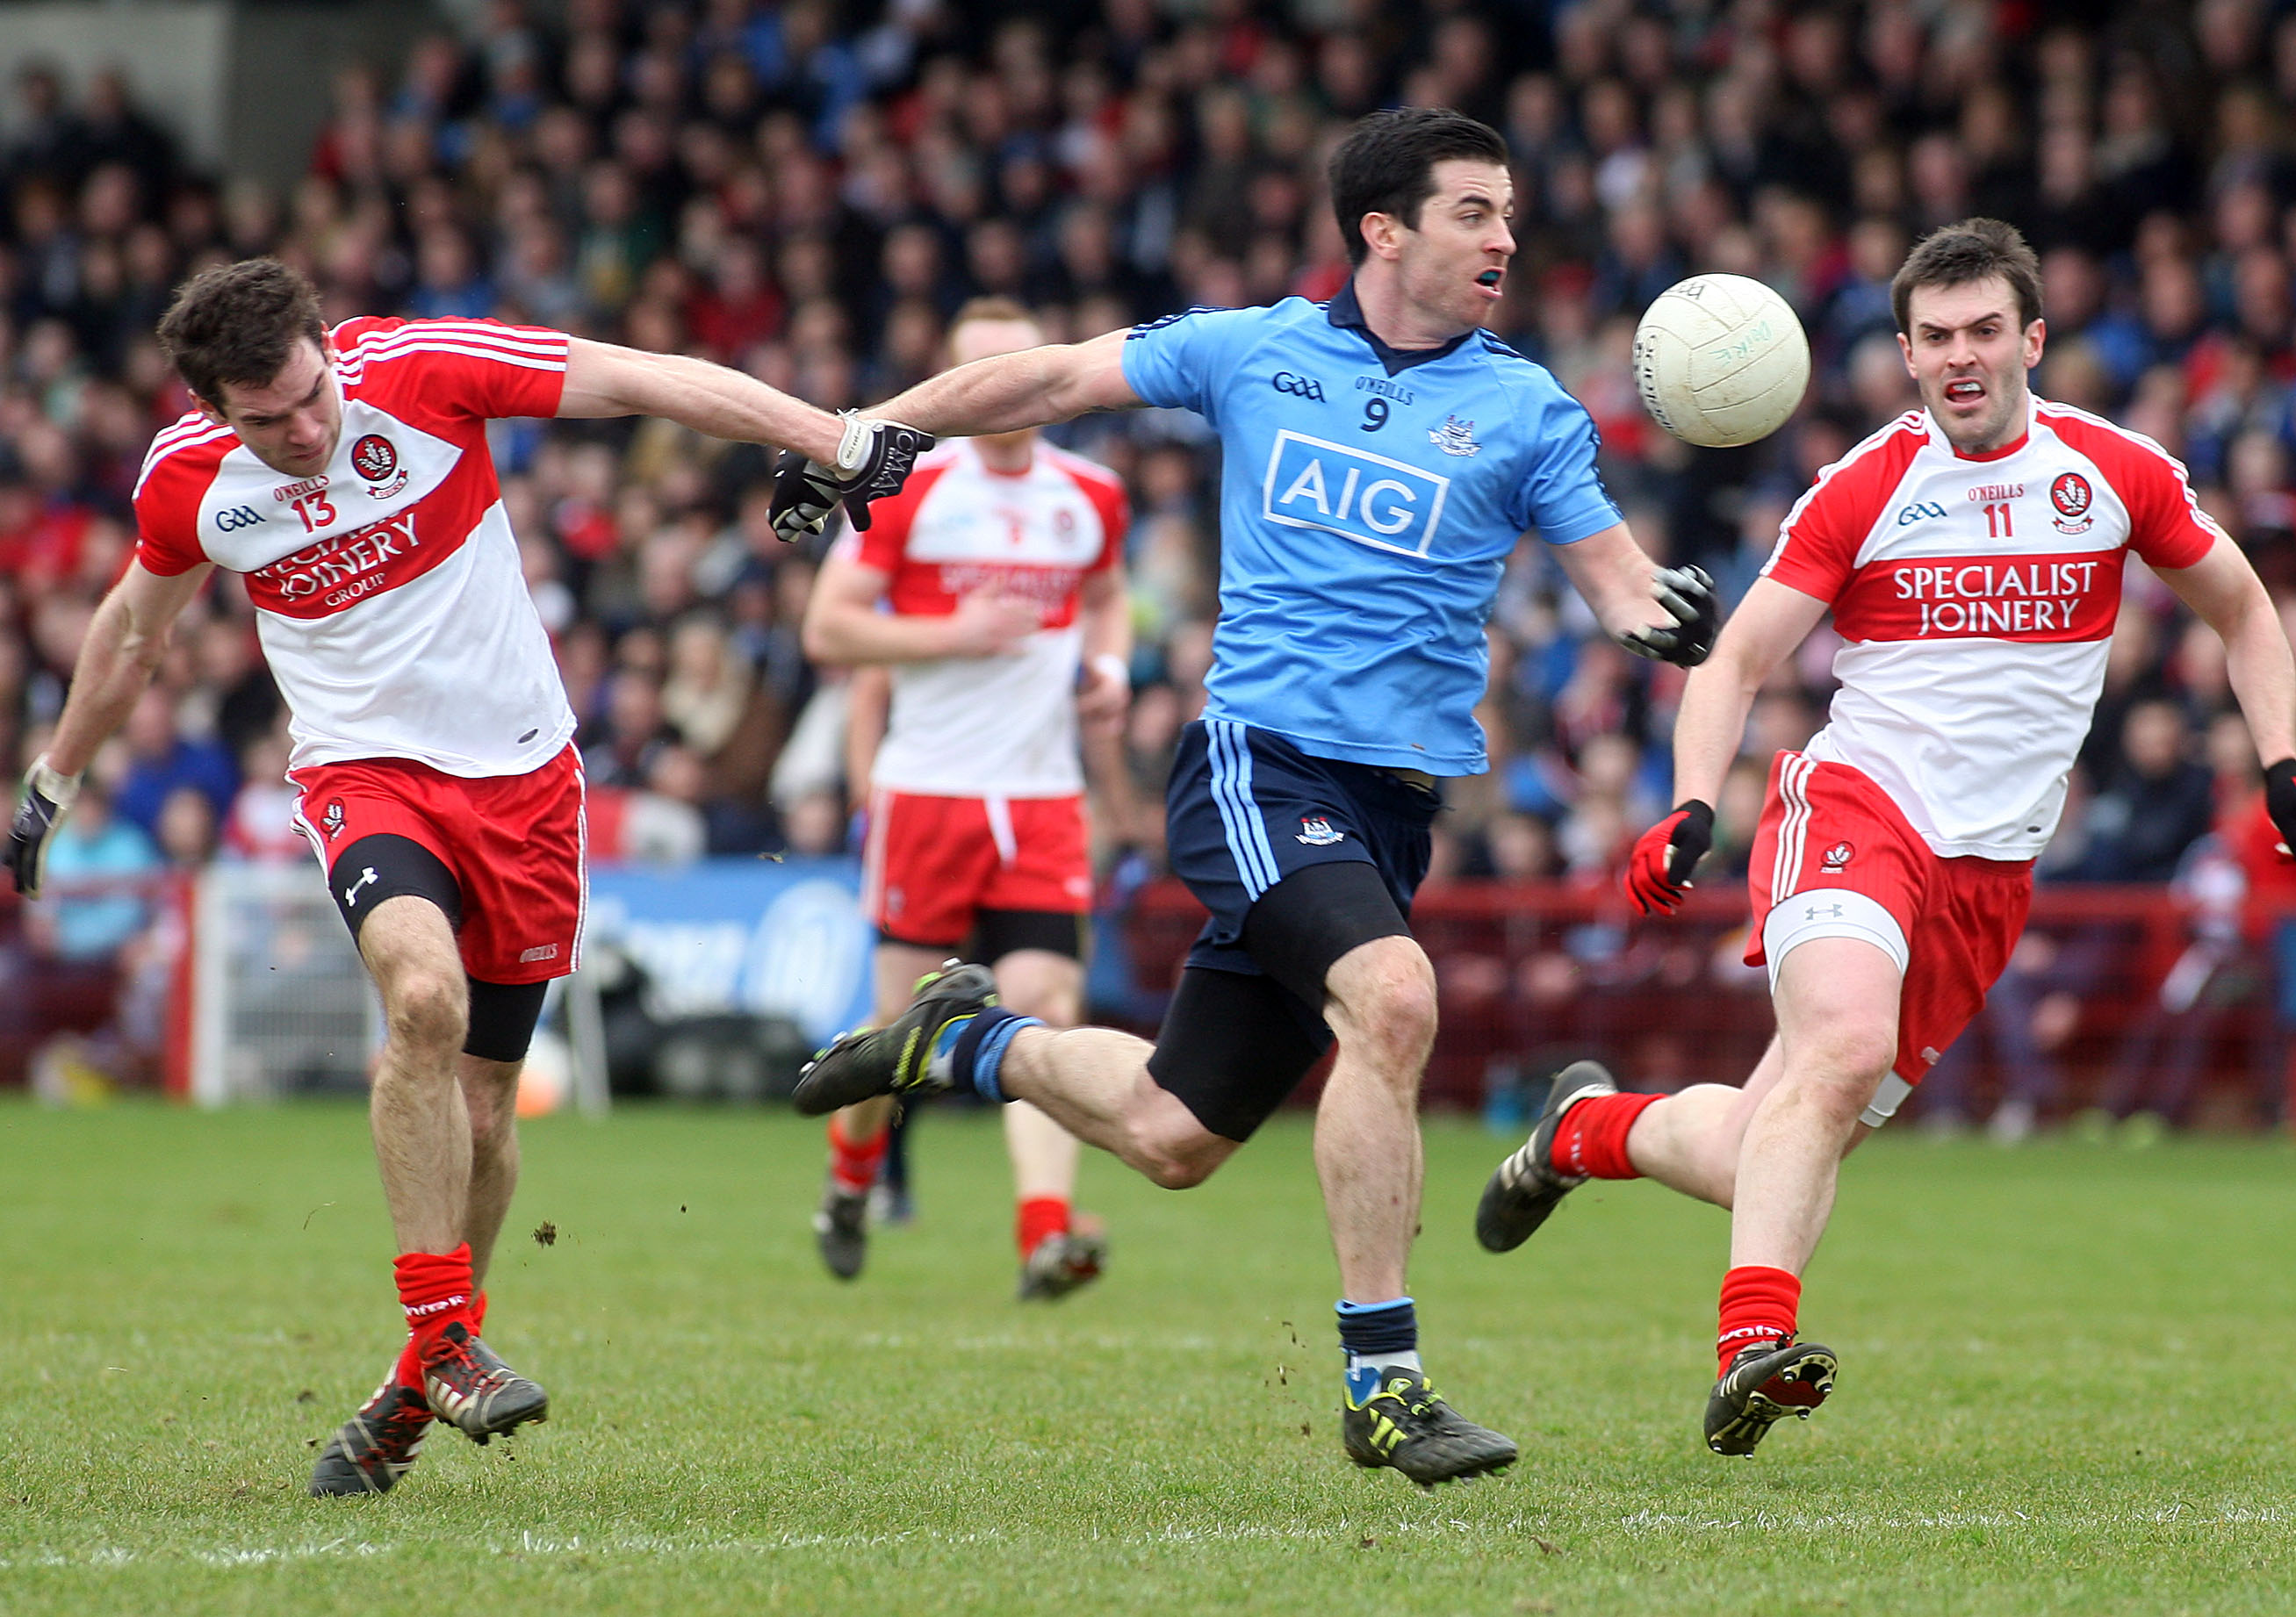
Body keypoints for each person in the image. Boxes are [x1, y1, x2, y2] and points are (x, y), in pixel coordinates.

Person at [773, 108, 1720, 1487]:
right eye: (1473, 212)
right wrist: (869, 430)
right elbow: (1044, 379)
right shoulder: (1254, 348)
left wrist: (1666, 616)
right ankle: (1386, 1383)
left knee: (1171, 1135)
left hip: (1392, 811)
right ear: (1383, 230)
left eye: (1508, 213)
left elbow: (1620, 579)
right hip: (1257, 763)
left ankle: (955, 1045)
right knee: (1393, 999)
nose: (1505, 238)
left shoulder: (1528, 409)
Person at [3, 256, 911, 1498]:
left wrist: (834, 437)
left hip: (529, 781)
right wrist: (51, 783)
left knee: (488, 1106)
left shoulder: (422, 371)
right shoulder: (189, 482)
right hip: (365, 774)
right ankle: (442, 1332)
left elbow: (642, 378)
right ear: (216, 409)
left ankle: (413, 1382)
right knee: (420, 1004)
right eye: (265, 421)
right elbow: (128, 630)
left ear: (330, 347)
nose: (305, 432)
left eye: (310, 396)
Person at [1472, 219, 2296, 1458]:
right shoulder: (1868, 485)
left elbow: (2246, 612)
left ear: (2032, 338)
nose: (1962, 357)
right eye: (1936, 337)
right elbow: (1737, 661)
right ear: (1906, 352)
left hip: (1990, 873)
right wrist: (1688, 801)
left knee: (1768, 1142)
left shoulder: (2114, 473)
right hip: (1860, 805)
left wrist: (2283, 761)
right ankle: (1749, 1349)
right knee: (1842, 1042)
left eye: (1987, 330)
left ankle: (1579, 1129)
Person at [802, 298, 1132, 1301]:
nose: (998, 390)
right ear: (949, 381)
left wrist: (1110, 669)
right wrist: (952, 634)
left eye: (1015, 365)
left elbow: (1108, 597)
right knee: (898, 1025)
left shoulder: (1093, 495)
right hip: (930, 794)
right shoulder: (909, 488)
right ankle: (851, 1182)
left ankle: (1043, 1233)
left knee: (1047, 1013)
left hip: (1039, 798)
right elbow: (829, 630)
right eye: (975, 369)